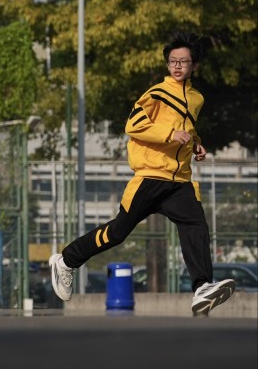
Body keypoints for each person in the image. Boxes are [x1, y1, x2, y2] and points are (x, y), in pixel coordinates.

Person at [49, 31, 236, 316]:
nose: (176, 66)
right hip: (150, 177)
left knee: (196, 227)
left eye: (183, 62)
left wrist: (196, 143)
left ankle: (201, 288)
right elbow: (133, 124)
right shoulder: (157, 93)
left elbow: (186, 127)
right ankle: (66, 260)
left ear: (194, 66)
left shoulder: (197, 98)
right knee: (117, 232)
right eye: (172, 61)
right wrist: (171, 134)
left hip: (179, 182)